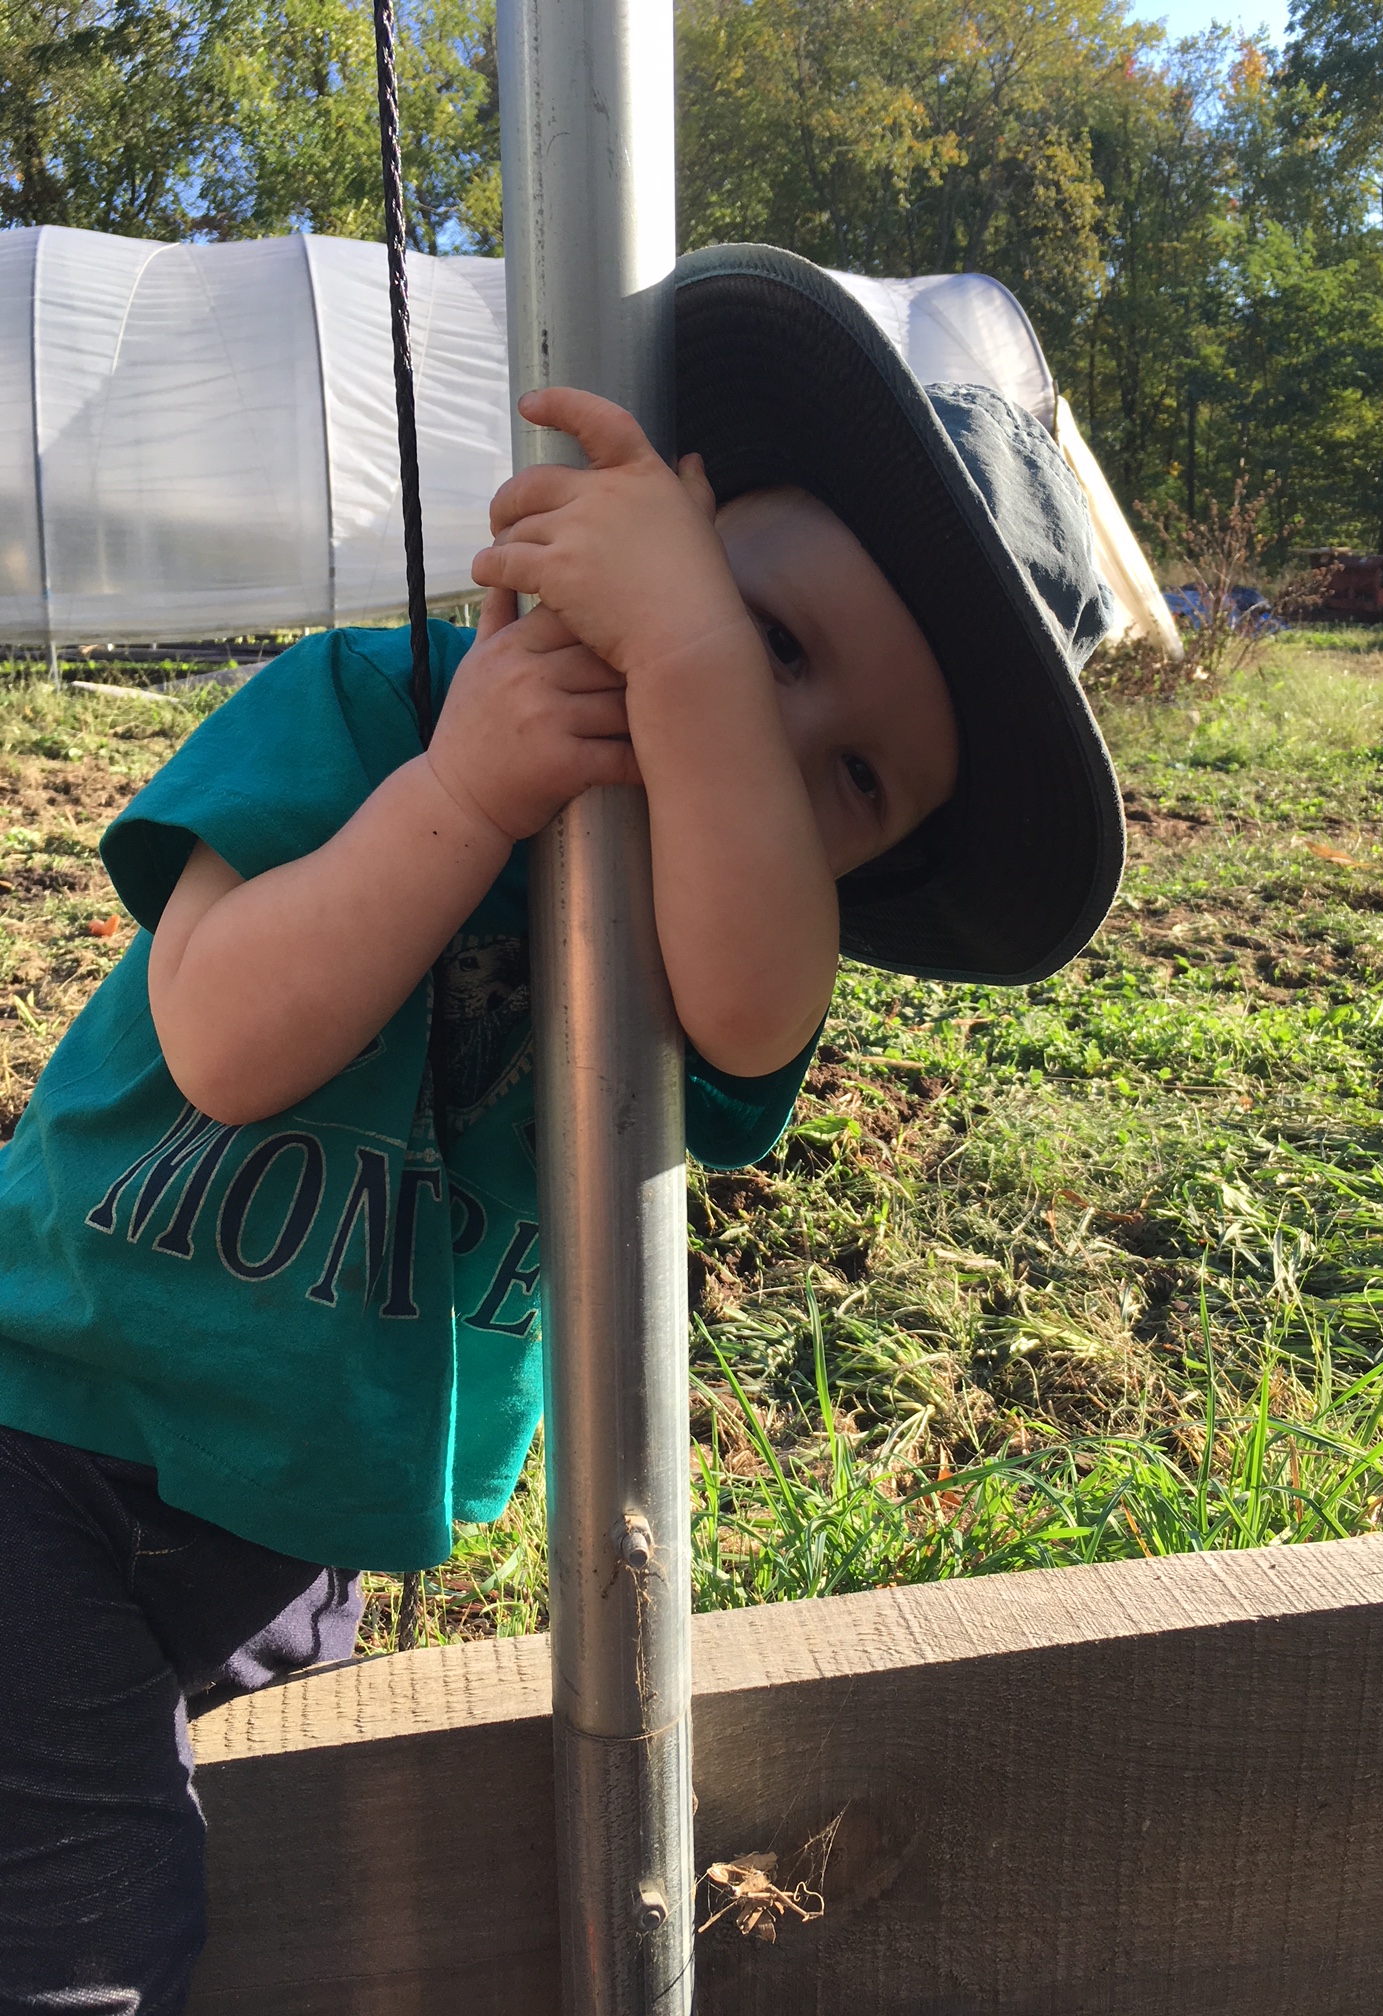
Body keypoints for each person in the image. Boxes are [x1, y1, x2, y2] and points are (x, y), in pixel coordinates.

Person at [0, 244, 1125, 2011]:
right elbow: (219, 1039)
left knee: (300, 1890)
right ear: (634, 539)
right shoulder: (372, 709)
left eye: (852, 779)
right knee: (93, 1927)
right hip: (47, 1434)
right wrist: (461, 789)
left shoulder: (717, 955)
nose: (763, 733)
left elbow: (756, 1003)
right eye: (771, 639)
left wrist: (697, 655)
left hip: (293, 1528)